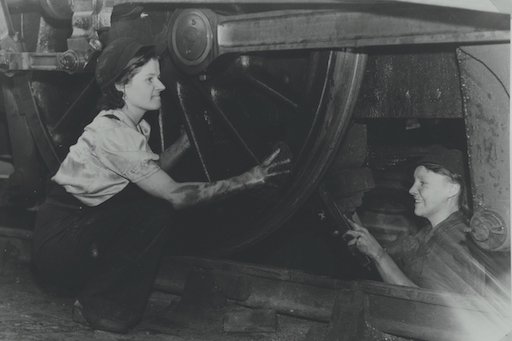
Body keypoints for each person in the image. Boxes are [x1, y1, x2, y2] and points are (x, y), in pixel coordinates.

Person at [31, 37, 290, 334]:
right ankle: (98, 305)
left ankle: (96, 301)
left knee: (148, 209)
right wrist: (250, 178)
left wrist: (182, 145)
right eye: (150, 79)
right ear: (121, 85)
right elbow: (175, 195)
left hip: (73, 229)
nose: (162, 85)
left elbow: (144, 172)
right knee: (156, 211)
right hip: (58, 242)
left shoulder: (135, 126)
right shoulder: (112, 133)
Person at [344, 146, 485, 295]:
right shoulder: (429, 233)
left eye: (422, 183)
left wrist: (378, 254)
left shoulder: (457, 242)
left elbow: (428, 307)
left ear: (451, 189)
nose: (411, 190)